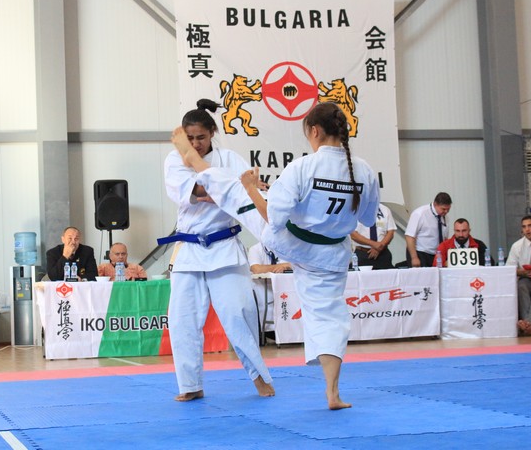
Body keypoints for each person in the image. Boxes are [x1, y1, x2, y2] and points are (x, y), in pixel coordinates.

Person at [241, 101, 379, 410]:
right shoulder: (365, 171)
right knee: (328, 316)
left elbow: (274, 217)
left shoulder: (302, 167)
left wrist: (250, 189)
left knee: (248, 208)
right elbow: (368, 219)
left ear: (314, 131)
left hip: (293, 244)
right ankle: (332, 392)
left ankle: (228, 187)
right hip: (331, 255)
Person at [162, 98, 274, 402]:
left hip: (225, 247)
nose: (195, 144)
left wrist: (231, 189)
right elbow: (200, 191)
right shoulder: (174, 159)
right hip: (189, 249)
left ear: (212, 133)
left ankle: (261, 378)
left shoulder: (230, 159)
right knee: (183, 321)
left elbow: (243, 194)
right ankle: (190, 385)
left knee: (239, 315)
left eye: (201, 137)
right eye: (190, 138)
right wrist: (224, 190)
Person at [248, 242, 292, 340]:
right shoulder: (255, 249)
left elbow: (296, 265)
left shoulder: (287, 247)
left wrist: (286, 266)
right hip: (264, 290)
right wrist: (281, 266)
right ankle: (267, 331)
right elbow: (256, 269)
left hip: (285, 289)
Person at [405, 192, 452, 267]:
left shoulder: (445, 217)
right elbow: (409, 236)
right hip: (420, 253)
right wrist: (414, 258)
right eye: (443, 209)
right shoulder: (420, 213)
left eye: (448, 209)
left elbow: (445, 239)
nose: (446, 212)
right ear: (435, 204)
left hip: (436, 255)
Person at [350, 203, 396, 270]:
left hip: (382, 253)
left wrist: (379, 247)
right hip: (363, 253)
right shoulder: (355, 209)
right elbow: (353, 235)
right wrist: (374, 244)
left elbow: (390, 232)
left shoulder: (385, 209)